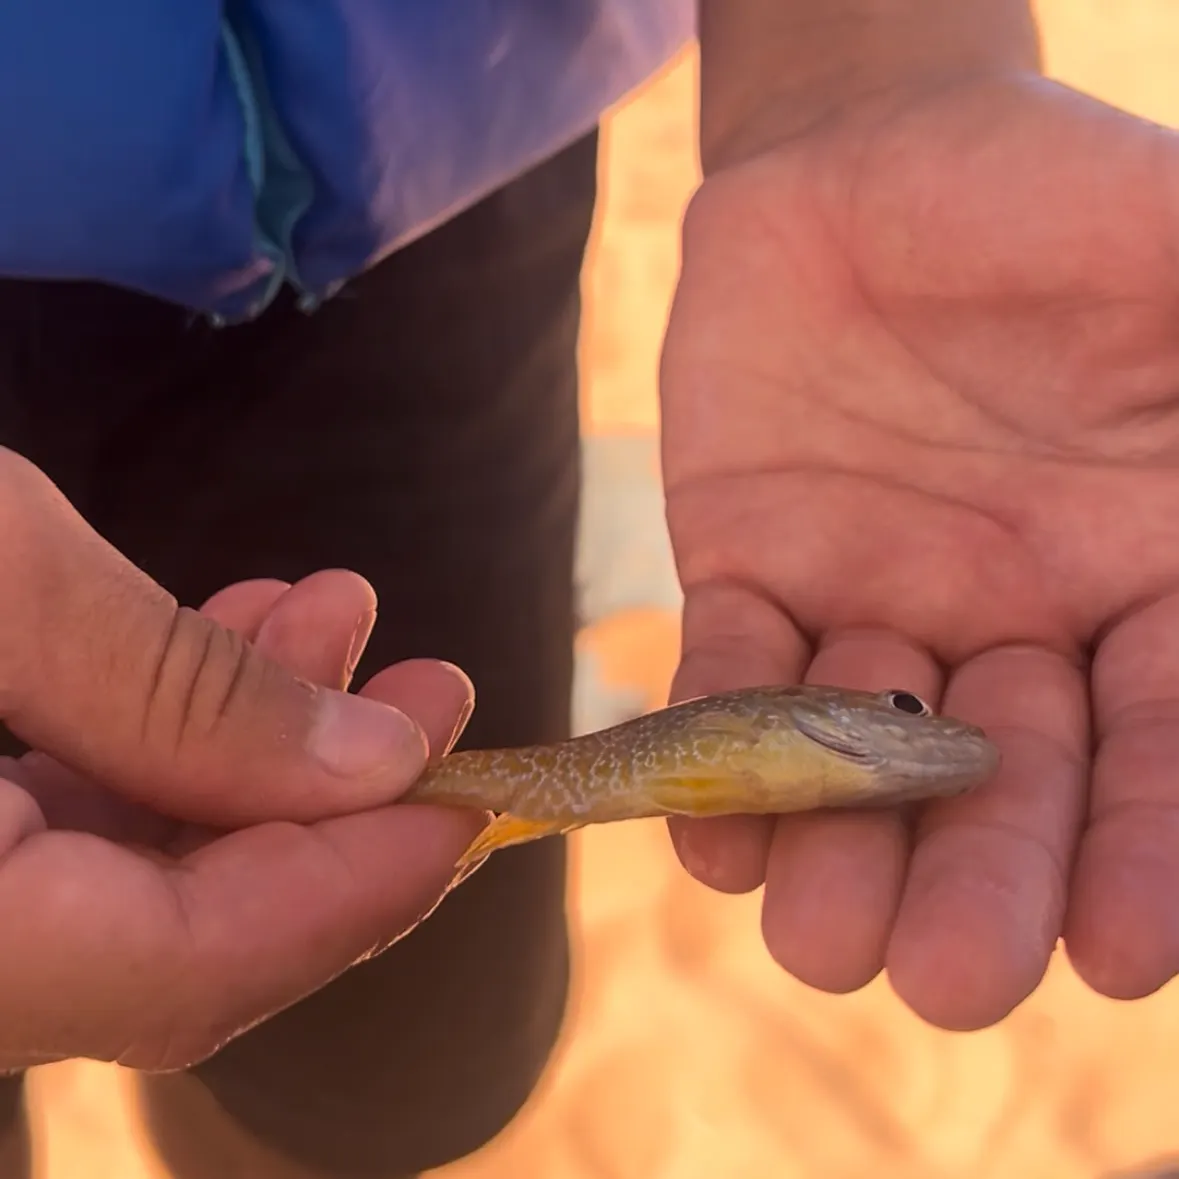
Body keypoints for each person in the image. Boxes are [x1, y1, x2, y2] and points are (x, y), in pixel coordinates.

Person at [2, 0, 1178, 1175]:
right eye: (900, 711)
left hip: (426, 170)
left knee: (378, 1053)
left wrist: (862, 60)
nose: (913, 725)